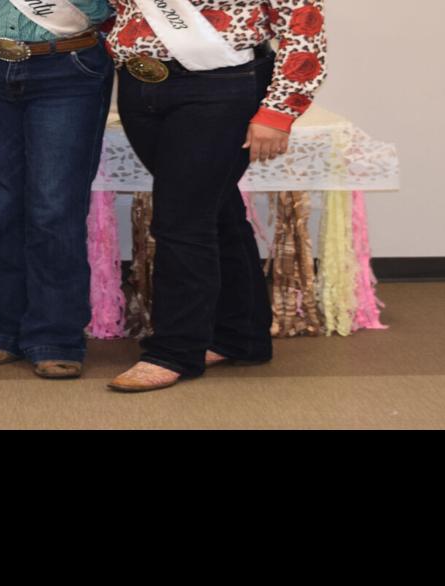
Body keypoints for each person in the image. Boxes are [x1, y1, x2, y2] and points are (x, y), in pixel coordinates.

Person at [103, 0, 327, 393]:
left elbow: (302, 22)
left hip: (222, 85)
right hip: (141, 86)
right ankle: (239, 336)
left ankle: (174, 352)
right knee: (215, 211)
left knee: (180, 220)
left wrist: (279, 110)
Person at [0, 0, 115, 380]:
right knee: (2, 205)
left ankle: (56, 337)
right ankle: (6, 329)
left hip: (66, 66)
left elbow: (102, 9)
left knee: (54, 207)